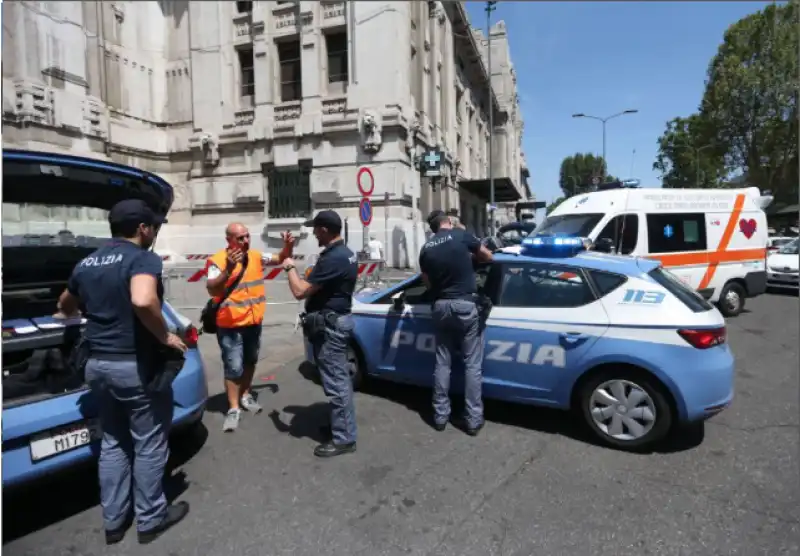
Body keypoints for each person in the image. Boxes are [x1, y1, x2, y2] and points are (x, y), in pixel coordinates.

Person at [55, 199, 189, 545]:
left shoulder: (87, 262)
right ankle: (151, 518)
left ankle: (114, 522)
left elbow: (64, 305)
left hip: (97, 365)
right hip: (133, 364)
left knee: (114, 441)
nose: (155, 232)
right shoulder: (142, 257)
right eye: (153, 227)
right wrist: (165, 335)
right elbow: (143, 300)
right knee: (148, 443)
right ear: (142, 229)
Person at [282, 210, 359, 458]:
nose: (313, 233)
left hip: (331, 326)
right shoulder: (345, 253)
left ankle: (345, 438)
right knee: (338, 379)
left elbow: (300, 291)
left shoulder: (333, 258)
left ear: (324, 229)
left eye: (315, 228)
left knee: (337, 383)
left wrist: (289, 266)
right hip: (336, 321)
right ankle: (341, 426)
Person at [205, 223, 294, 432]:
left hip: (253, 321)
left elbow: (280, 258)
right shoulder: (217, 261)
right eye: (240, 238)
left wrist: (288, 246)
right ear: (229, 240)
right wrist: (227, 268)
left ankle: (245, 394)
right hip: (230, 324)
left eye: (247, 237)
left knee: (250, 361)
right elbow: (211, 289)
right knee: (233, 367)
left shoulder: (254, 256)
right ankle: (233, 408)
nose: (246, 241)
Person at [418, 209, 494, 435]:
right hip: (465, 306)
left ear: (433, 228)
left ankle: (440, 416)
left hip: (441, 306)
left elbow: (426, 282)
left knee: (442, 362)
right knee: (472, 364)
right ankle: (472, 419)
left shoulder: (426, 248)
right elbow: (488, 257)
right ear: (449, 221)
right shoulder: (462, 236)